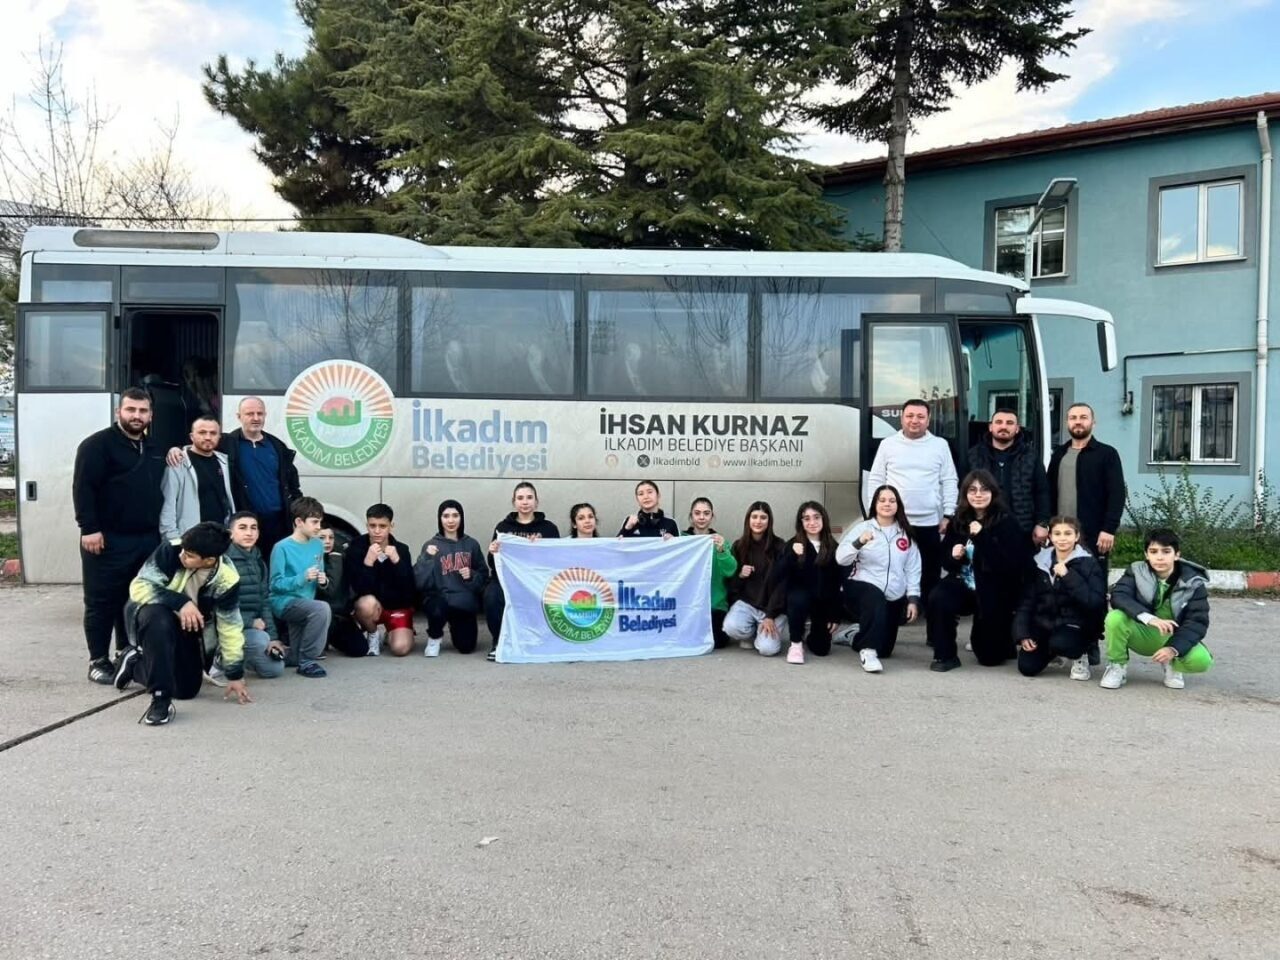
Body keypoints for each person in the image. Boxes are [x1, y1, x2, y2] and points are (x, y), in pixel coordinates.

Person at [111, 521, 251, 726]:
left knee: (186, 690)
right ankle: (160, 699)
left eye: (190, 555)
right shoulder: (171, 550)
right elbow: (139, 587)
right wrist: (181, 603)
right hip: (153, 616)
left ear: (209, 560)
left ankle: (134, 664)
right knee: (159, 619)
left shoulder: (227, 579)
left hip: (191, 627)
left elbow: (230, 626)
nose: (182, 556)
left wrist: (234, 673)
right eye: (184, 551)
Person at [73, 387, 166, 685]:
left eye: (142, 411)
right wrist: (89, 528)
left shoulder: (155, 448)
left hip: (146, 539)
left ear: (150, 415)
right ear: (119, 412)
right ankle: (97, 660)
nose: (136, 416)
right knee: (102, 601)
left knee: (134, 599)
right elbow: (83, 488)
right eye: (131, 410)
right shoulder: (97, 445)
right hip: (106, 539)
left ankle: (126, 652)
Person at [169, 396, 303, 555]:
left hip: (278, 523)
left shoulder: (277, 446)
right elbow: (201, 445)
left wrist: (297, 516)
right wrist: (177, 449)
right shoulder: (227, 443)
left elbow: (293, 486)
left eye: (260, 413)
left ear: (265, 415)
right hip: (244, 524)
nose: (255, 418)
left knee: (275, 564)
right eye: (249, 414)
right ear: (239, 417)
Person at [927, 469, 1031, 671]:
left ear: (993, 493)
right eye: (972, 490)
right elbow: (946, 561)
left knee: (989, 658)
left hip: (994, 590)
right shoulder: (959, 520)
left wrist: (982, 536)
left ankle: (1004, 640)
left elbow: (1010, 566)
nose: (978, 495)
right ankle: (945, 656)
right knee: (938, 596)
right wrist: (954, 556)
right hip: (965, 583)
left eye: (984, 490)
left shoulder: (1006, 522)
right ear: (965, 493)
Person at [1048, 402, 1125, 664]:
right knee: (1060, 587)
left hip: (1093, 535)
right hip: (1060, 537)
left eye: (1083, 417)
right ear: (1067, 422)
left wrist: (1109, 529)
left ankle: (1091, 641)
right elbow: (1049, 492)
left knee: (1094, 592)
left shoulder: (1106, 454)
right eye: (1073, 417)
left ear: (1093, 422)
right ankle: (1059, 638)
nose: (1078, 421)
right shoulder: (1059, 454)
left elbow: (1116, 493)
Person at [864, 399, 958, 608]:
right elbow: (876, 479)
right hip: (896, 522)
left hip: (930, 522)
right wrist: (875, 514)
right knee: (895, 569)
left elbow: (950, 480)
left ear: (928, 420)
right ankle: (896, 614)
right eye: (910, 416)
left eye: (920, 416)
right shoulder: (888, 444)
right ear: (902, 418)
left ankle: (930, 618)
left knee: (930, 572)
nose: (915, 420)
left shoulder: (940, 445)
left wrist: (948, 514)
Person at [1101, 528, 1213, 691]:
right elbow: (1119, 596)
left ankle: (1172, 665)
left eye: (1166, 551)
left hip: (1171, 637)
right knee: (1115, 618)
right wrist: (1149, 618)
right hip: (1142, 631)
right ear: (1146, 555)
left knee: (1202, 661)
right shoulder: (1136, 571)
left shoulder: (1193, 583)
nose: (1159, 557)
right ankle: (1117, 666)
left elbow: (1197, 622)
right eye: (1153, 551)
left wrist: (1173, 648)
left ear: (1177, 555)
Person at [835, 484, 922, 674]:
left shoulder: (905, 533)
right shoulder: (863, 528)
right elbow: (841, 558)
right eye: (882, 500)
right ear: (874, 504)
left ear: (898, 505)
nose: (887, 504)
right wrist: (859, 542)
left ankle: (854, 635)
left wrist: (913, 599)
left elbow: (913, 569)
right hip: (862, 586)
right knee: (874, 598)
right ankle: (867, 652)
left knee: (885, 650)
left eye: (892, 501)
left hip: (893, 595)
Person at [1013, 516, 1107, 681]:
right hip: (1044, 623)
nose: (1062, 538)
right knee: (1027, 667)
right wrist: (1023, 634)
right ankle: (1052, 650)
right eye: (1057, 534)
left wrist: (1068, 576)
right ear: (1050, 537)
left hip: (1075, 624)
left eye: (1068, 533)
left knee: (1062, 643)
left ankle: (1083, 653)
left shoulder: (1088, 563)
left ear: (1077, 536)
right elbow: (1027, 601)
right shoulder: (1039, 562)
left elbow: (1094, 602)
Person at [484, 482, 561, 661]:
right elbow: (493, 563)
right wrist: (493, 551)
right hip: (507, 580)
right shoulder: (503, 527)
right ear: (514, 502)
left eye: (529, 497)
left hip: (538, 579)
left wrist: (539, 549)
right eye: (520, 498)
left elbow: (556, 559)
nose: (525, 502)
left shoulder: (548, 528)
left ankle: (540, 640)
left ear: (536, 502)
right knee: (492, 596)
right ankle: (499, 642)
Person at [966, 408, 1050, 547]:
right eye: (999, 422)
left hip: (1022, 529)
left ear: (1017, 429)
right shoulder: (974, 455)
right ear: (990, 427)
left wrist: (1042, 523)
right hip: (982, 528)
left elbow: (1042, 492)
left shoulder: (1030, 456)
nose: (1004, 426)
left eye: (1009, 423)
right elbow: (963, 491)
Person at [268, 496, 332, 678]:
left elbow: (320, 573)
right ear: (298, 522)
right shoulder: (281, 547)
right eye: (314, 522)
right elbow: (275, 585)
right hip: (284, 602)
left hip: (305, 602)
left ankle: (279, 656)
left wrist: (323, 581)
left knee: (295, 657)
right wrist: (302, 578)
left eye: (320, 522)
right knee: (321, 609)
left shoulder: (317, 544)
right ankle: (308, 662)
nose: (319, 526)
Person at [414, 500, 488, 657]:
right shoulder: (431, 545)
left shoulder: (471, 544)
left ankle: (455, 626)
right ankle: (435, 636)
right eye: (446, 516)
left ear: (461, 518)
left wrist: (472, 575)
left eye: (455, 515)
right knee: (436, 607)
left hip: (463, 602)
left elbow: (483, 575)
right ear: (440, 519)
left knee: (466, 647)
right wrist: (427, 558)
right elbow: (419, 581)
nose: (451, 520)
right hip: (440, 600)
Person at [345, 503, 418, 657]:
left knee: (400, 648)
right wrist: (368, 562)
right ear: (367, 525)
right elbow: (358, 589)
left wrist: (397, 562)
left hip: (397, 607)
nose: (377, 531)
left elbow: (410, 591)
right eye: (372, 526)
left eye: (382, 526)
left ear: (391, 526)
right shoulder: (356, 547)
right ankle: (373, 634)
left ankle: (394, 633)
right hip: (372, 608)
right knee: (366, 603)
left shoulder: (401, 549)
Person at [776, 501, 843, 665]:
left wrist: (835, 614)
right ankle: (796, 643)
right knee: (798, 598)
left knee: (822, 649)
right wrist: (792, 555)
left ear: (823, 519)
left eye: (816, 517)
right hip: (798, 599)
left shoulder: (832, 546)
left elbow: (837, 582)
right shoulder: (793, 544)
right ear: (801, 522)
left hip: (822, 601)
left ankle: (809, 634)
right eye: (806, 519)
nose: (812, 522)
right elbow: (778, 574)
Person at [224, 511, 286, 681]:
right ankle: (219, 661)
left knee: (274, 670)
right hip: (227, 629)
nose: (249, 533)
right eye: (242, 528)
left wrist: (273, 638)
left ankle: (244, 659)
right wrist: (249, 622)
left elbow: (264, 601)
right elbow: (217, 609)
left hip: (254, 629)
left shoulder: (258, 561)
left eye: (253, 528)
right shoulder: (223, 562)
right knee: (260, 640)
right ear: (230, 533)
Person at [723, 501, 789, 656]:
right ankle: (751, 633)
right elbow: (731, 583)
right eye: (754, 517)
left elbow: (783, 585)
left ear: (769, 521)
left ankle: (764, 635)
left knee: (767, 649)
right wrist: (740, 575)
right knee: (730, 627)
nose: (758, 521)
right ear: (748, 519)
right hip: (748, 603)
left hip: (773, 608)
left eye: (763, 517)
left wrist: (770, 616)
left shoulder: (780, 546)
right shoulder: (739, 546)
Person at [159, 415, 235, 540]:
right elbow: (168, 505)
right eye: (202, 432)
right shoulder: (177, 464)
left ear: (219, 437)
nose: (208, 437)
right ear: (191, 436)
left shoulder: (225, 462)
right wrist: (172, 539)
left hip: (221, 536)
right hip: (191, 538)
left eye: (213, 433)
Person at [682, 497, 737, 649]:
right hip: (687, 604)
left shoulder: (720, 542)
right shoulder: (681, 539)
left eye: (706, 513)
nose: (701, 517)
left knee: (718, 641)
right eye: (697, 513)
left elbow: (730, 571)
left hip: (714, 604)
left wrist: (722, 551)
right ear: (691, 516)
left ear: (712, 517)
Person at [317, 527, 365, 657]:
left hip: (340, 615)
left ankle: (330, 638)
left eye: (331, 538)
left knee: (359, 649)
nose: (327, 541)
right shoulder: (312, 560)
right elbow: (330, 589)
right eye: (322, 538)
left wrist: (336, 557)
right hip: (320, 616)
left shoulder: (340, 557)